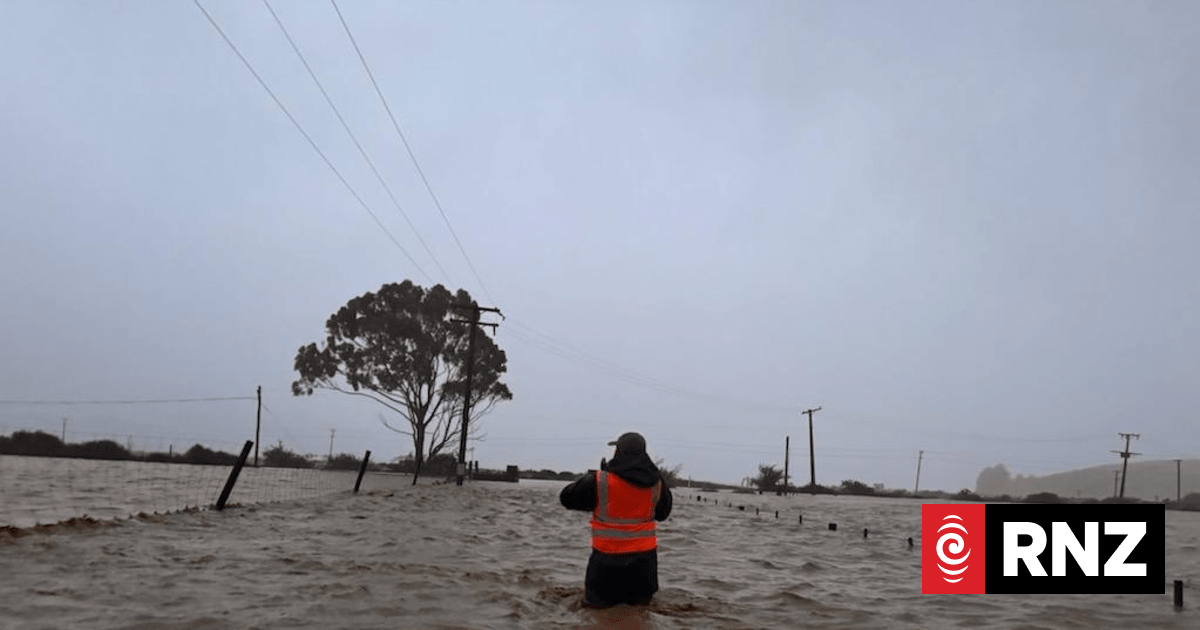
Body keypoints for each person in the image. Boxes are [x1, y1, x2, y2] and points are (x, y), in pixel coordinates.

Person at [559, 431, 673, 608]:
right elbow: (663, 514)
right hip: (644, 569)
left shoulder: (601, 481)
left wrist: (593, 478)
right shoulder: (658, 484)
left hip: (605, 567)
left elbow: (566, 498)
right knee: (640, 617)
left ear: (618, 452)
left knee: (596, 617)